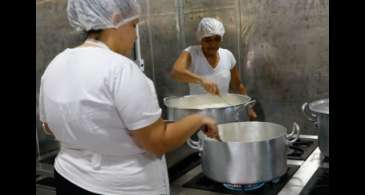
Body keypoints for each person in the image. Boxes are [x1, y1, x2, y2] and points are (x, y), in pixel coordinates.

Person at [38, 1, 219, 195]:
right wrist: (199, 119)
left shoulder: (57, 64)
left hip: (69, 179)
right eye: (134, 25)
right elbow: (157, 142)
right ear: (115, 19)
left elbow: (49, 126)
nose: (135, 35)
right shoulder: (121, 70)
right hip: (121, 187)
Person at [170, 17, 257, 120]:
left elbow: (237, 85)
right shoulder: (191, 53)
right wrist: (201, 80)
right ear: (200, 39)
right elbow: (176, 72)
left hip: (225, 113)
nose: (213, 44)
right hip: (199, 116)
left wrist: (248, 108)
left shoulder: (227, 55)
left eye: (217, 39)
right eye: (208, 40)